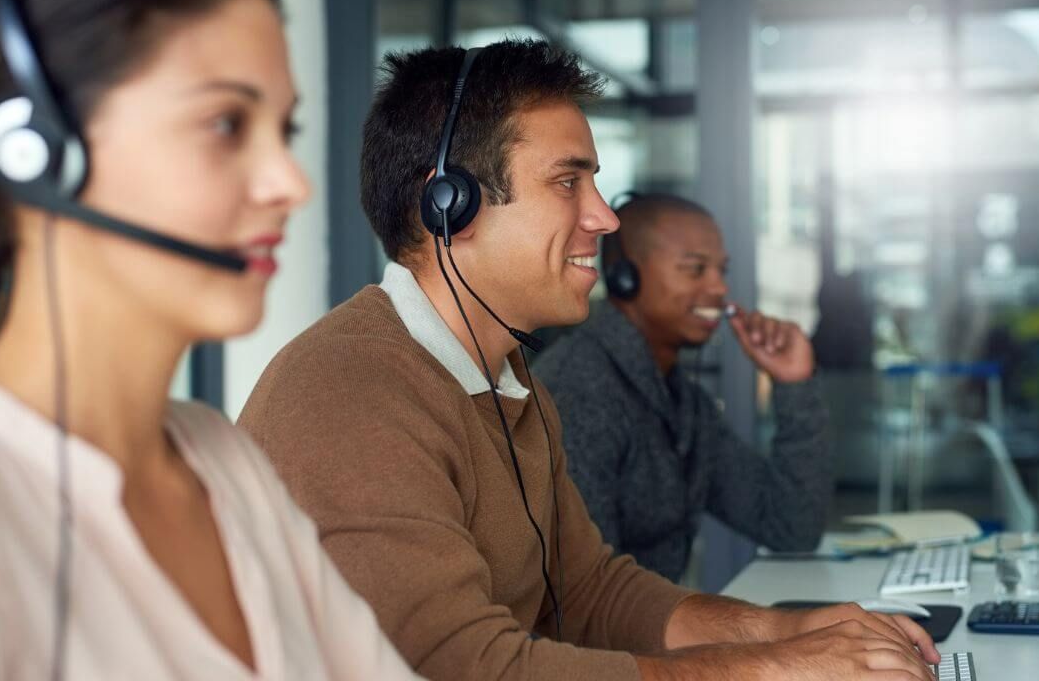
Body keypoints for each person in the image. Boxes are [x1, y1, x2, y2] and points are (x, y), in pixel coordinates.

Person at [238, 39, 938, 681]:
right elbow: (463, 670)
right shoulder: (350, 394)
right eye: (568, 182)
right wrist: (778, 669)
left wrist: (790, 629)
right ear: (449, 205)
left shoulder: (513, 384)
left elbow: (591, 590)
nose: (604, 218)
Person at [0, 0, 417, 678]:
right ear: (35, 154)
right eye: (225, 123)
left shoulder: (224, 462)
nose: (292, 183)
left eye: (283, 128)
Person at [533, 192, 831, 582]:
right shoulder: (579, 391)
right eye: (695, 270)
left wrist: (794, 385)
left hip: (643, 637)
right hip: (596, 641)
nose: (719, 288)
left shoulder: (683, 404)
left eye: (721, 271)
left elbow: (791, 527)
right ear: (626, 278)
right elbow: (584, 595)